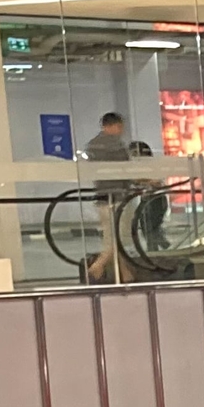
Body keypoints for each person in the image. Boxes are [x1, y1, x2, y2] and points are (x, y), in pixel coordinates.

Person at [84, 111, 131, 283]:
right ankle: (99, 265)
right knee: (118, 237)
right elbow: (126, 170)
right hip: (117, 197)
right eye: (119, 127)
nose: (121, 131)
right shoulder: (116, 145)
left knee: (110, 237)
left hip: (102, 196)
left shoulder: (92, 145)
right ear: (111, 126)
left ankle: (125, 273)